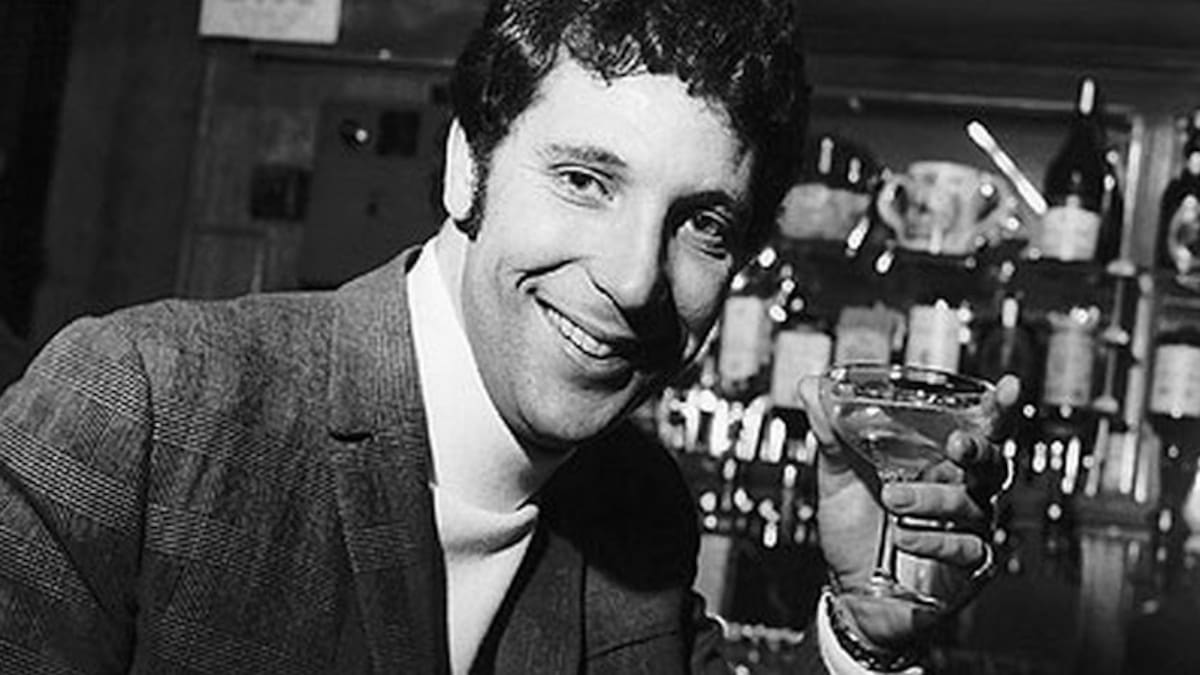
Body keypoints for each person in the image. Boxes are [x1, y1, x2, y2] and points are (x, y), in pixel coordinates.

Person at [0, 0, 1016, 672]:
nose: (632, 279)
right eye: (585, 180)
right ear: (466, 170)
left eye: (702, 224)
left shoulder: (637, 505)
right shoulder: (142, 411)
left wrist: (860, 633)